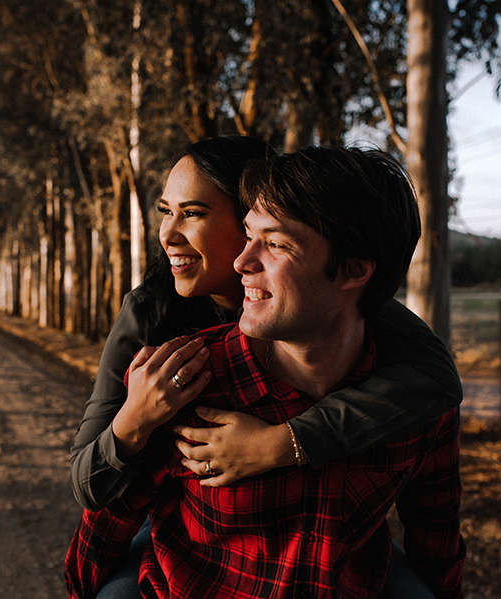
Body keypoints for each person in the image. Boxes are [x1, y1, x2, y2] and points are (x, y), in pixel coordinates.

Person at [65, 146, 465, 599]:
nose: (243, 261)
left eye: (274, 242)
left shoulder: (409, 390)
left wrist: (283, 443)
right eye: (166, 212)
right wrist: (135, 420)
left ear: (354, 271)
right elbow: (98, 506)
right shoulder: (171, 361)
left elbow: (437, 527)